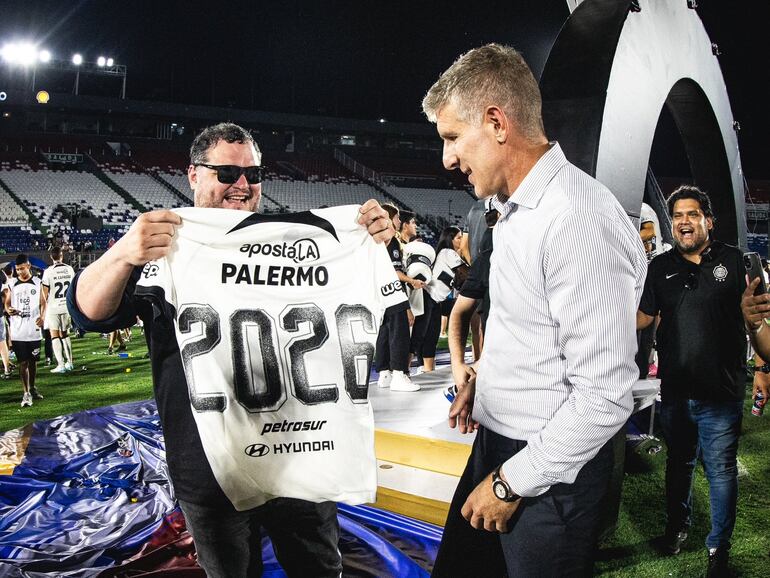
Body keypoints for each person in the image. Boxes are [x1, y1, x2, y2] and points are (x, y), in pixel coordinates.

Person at [68, 122, 397, 578]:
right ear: (193, 176)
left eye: (253, 174)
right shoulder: (167, 244)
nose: (242, 184)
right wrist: (124, 252)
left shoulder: (306, 238)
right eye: (225, 172)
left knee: (318, 569)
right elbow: (88, 313)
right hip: (209, 466)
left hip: (302, 453)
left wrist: (371, 238)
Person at [421, 44, 646, 576]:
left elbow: (605, 395)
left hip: (545, 477)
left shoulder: (577, 219)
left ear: (497, 122)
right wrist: (490, 377)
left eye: (453, 137)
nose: (447, 159)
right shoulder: (514, 207)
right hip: (502, 448)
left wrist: (509, 482)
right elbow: (531, 326)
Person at [637, 185, 745, 577]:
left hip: (721, 392)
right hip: (676, 393)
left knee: (720, 471)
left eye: (692, 214)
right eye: (678, 215)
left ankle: (718, 549)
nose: (684, 221)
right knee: (678, 466)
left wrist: (764, 371)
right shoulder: (660, 268)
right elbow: (642, 319)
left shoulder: (733, 262)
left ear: (708, 221)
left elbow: (756, 320)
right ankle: (676, 528)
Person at [375, 203, 423, 392]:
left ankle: (384, 373)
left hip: (378, 292)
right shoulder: (391, 241)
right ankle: (399, 374)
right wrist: (411, 281)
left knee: (385, 333)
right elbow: (394, 272)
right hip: (392, 292)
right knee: (399, 332)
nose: (398, 221)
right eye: (396, 218)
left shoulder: (376, 240)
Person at [409, 226, 466, 373]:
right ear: (450, 239)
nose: (461, 241)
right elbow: (465, 273)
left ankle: (427, 370)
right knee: (419, 335)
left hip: (435, 300)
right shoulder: (448, 252)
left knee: (431, 337)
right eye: (458, 238)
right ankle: (403, 370)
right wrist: (467, 251)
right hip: (428, 296)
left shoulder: (449, 254)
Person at [3, 254, 44, 407]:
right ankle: (26, 393)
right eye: (17, 270)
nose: (19, 272)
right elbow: (7, 303)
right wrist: (9, 309)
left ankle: (33, 387)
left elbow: (43, 303)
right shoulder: (12, 283)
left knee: (33, 362)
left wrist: (43, 317)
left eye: (22, 269)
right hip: (18, 330)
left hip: (33, 329)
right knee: (23, 362)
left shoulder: (37, 282)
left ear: (28, 266)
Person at [40, 247, 76, 373]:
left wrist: (45, 308)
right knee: (65, 334)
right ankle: (70, 362)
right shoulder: (69, 269)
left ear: (51, 257)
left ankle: (60, 364)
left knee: (54, 335)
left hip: (53, 307)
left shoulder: (48, 271)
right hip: (66, 305)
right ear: (62, 256)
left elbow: (44, 294)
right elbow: (73, 288)